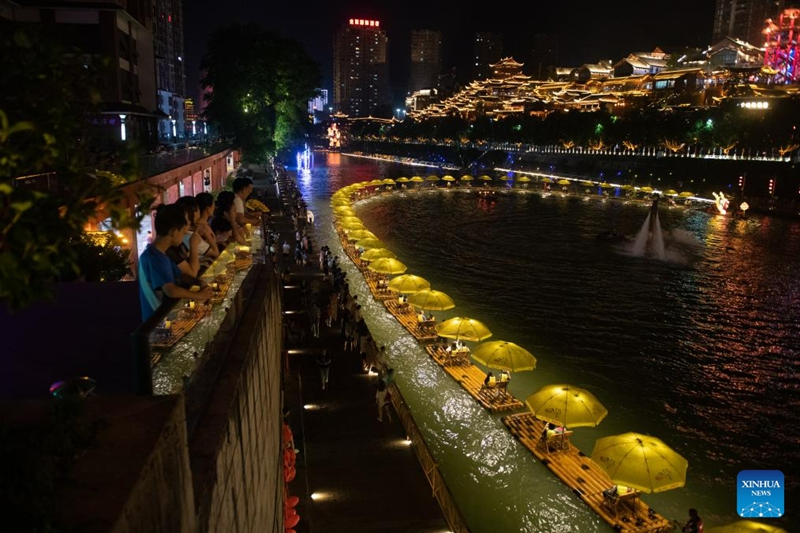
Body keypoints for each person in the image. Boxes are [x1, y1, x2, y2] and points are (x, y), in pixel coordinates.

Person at [138, 204, 213, 322]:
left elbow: (180, 275)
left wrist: (198, 282)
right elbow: (170, 290)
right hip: (156, 322)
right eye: (183, 232)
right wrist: (199, 295)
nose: (184, 236)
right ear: (173, 232)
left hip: (164, 318)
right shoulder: (153, 257)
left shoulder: (161, 254)